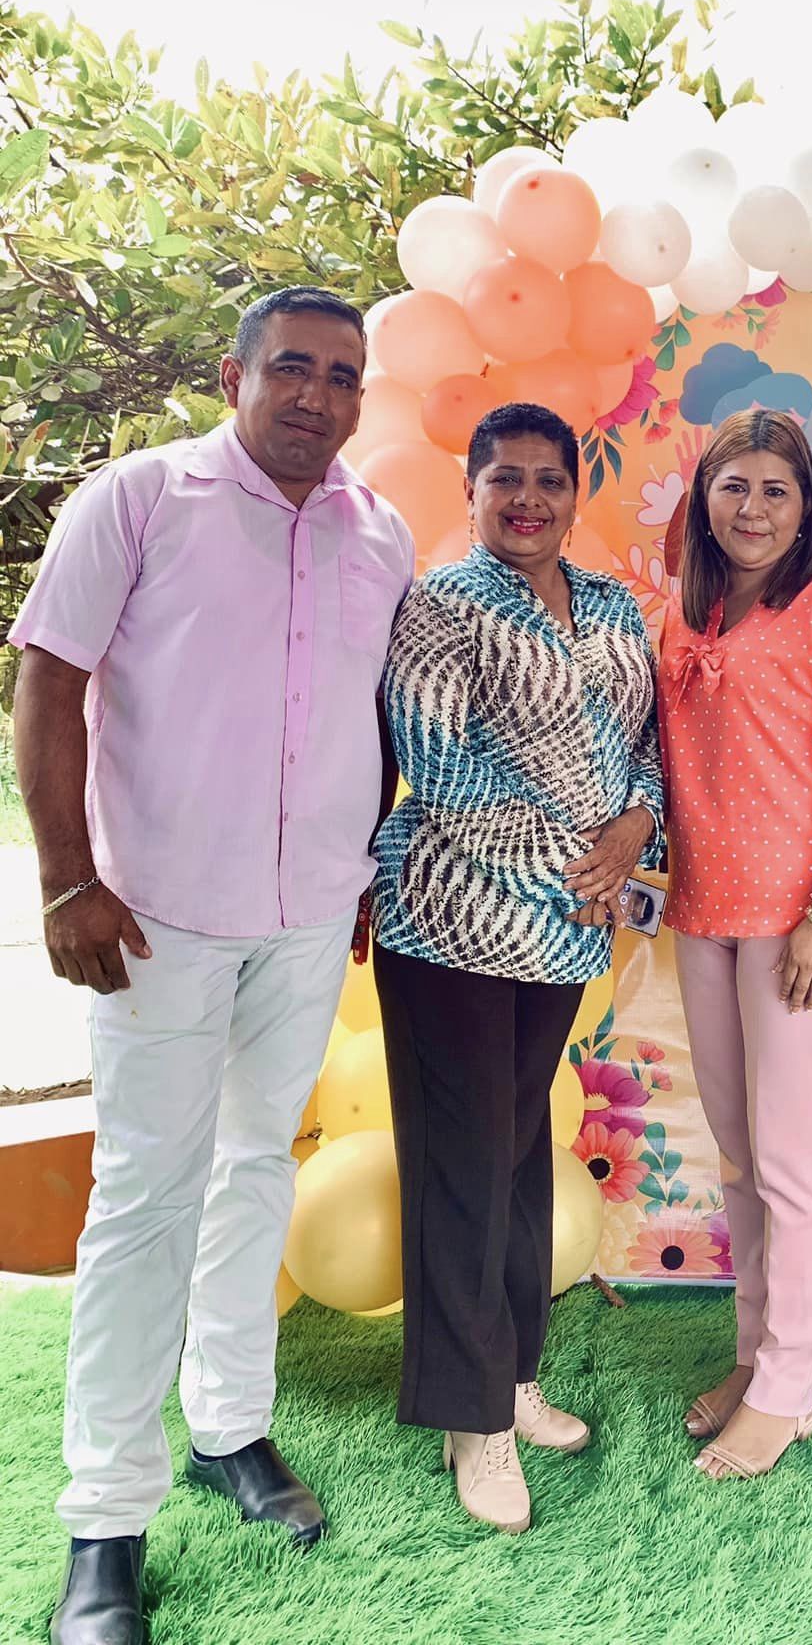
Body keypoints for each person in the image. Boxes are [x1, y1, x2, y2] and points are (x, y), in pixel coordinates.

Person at [11, 287, 413, 1645]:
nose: (316, 394)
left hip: (308, 917)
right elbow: (49, 680)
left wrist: (360, 861)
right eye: (291, 367)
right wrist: (67, 877)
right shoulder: (137, 500)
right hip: (155, 919)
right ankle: (103, 1522)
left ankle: (231, 1428)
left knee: (257, 1168)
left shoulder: (380, 531)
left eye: (342, 375)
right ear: (234, 375)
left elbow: (375, 711)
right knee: (145, 1199)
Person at [369, 401, 664, 1535]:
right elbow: (442, 766)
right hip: (452, 918)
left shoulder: (610, 605)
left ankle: (515, 1369)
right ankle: (470, 1413)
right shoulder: (441, 605)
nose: (528, 498)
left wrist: (635, 830)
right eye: (506, 479)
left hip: (565, 932)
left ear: (576, 495)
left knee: (518, 1148)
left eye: (549, 479)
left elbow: (646, 746)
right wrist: (583, 870)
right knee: (462, 1160)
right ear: (472, 489)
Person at [658, 409, 812, 1480]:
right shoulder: (685, 613)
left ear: (806, 507)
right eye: (734, 486)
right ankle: (755, 1354)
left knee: (793, 1162)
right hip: (705, 912)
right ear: (704, 499)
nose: (752, 508)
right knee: (740, 1154)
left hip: (808, 919)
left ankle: (787, 1388)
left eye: (776, 489)